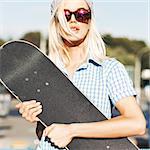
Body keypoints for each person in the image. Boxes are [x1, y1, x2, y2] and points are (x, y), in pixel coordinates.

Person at [16, 0, 146, 149]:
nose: (73, 20)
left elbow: (137, 124)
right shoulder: (45, 72)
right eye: (66, 15)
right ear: (56, 22)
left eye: (82, 14)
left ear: (90, 21)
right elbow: (45, 134)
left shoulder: (109, 69)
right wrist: (36, 117)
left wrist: (72, 130)